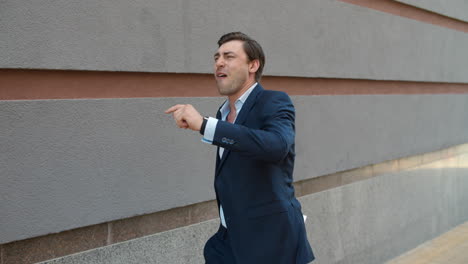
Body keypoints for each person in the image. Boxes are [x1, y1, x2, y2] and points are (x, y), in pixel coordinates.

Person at [165, 32, 314, 264]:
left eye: (229, 56)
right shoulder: (223, 113)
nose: (219, 63)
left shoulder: (274, 101)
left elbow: (277, 146)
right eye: (216, 57)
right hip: (229, 239)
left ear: (253, 65)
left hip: (271, 243)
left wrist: (205, 126)